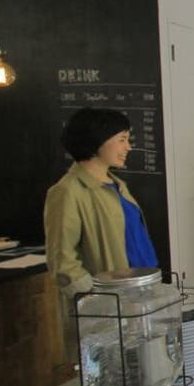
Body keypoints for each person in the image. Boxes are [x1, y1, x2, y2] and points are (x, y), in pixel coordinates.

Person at [44, 107, 159, 363]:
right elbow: (62, 262)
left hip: (139, 294)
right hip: (109, 307)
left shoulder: (116, 185)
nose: (128, 147)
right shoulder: (68, 191)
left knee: (146, 368)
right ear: (97, 141)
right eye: (122, 139)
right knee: (115, 372)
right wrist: (98, 301)